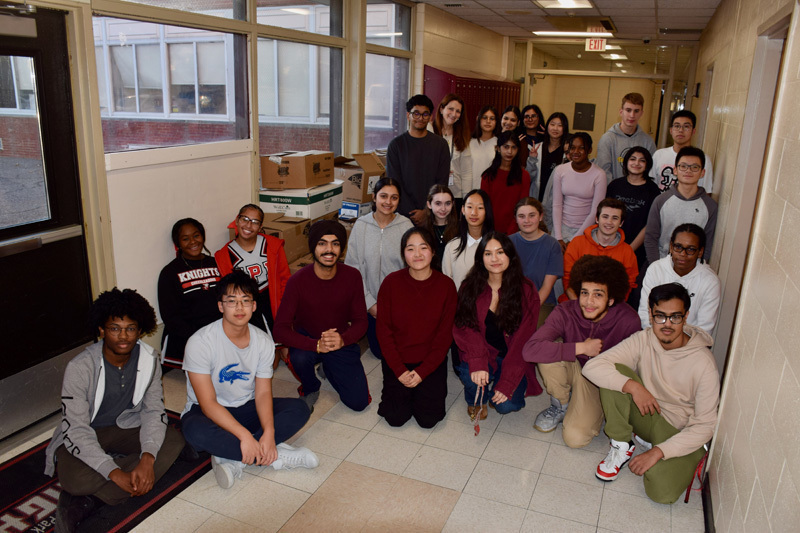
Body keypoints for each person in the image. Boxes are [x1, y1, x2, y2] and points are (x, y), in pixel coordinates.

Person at [46, 288, 185, 532]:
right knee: (74, 479)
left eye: (130, 328)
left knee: (173, 440)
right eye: (114, 328)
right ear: (101, 330)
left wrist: (147, 458)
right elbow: (76, 429)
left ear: (140, 330)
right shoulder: (79, 368)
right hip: (87, 431)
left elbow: (153, 411)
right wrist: (113, 472)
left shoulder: (149, 360)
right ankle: (116, 483)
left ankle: (87, 502)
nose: (123, 336)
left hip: (126, 427)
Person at [582, 283, 719, 504]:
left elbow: (705, 426)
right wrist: (634, 387)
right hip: (647, 411)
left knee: (661, 494)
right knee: (615, 371)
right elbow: (592, 367)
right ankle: (622, 444)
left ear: (686, 317)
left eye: (675, 317)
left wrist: (659, 452)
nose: (667, 325)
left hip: (675, 428)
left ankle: (664, 451)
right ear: (651, 314)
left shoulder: (704, 363)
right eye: (660, 317)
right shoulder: (643, 339)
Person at [181, 271, 318, 490]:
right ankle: (277, 455)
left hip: (246, 406)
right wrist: (245, 435)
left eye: (246, 301)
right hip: (208, 412)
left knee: (300, 408)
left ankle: (234, 457)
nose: (239, 308)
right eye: (232, 301)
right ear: (220, 306)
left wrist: (269, 432)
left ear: (254, 306)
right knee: (195, 431)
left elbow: (263, 393)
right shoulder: (200, 342)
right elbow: (208, 403)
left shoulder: (263, 341)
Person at [523, 256, 640, 447]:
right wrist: (581, 347)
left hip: (600, 381)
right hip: (573, 366)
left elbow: (635, 369)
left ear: (611, 299)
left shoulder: (628, 321)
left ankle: (591, 408)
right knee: (546, 352)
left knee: (575, 439)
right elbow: (530, 349)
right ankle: (560, 405)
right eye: (584, 293)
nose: (588, 301)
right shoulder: (566, 311)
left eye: (598, 294)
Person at [274, 219, 370, 412]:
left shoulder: (352, 276)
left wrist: (343, 340)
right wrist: (315, 345)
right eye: (322, 243)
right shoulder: (297, 281)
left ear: (341, 248)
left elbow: (361, 321)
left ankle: (328, 367)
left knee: (359, 403)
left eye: (335, 243)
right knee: (299, 358)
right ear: (313, 248)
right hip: (309, 340)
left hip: (339, 340)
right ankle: (310, 387)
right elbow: (280, 330)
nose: (329, 249)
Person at [453, 232, 541, 420]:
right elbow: (464, 327)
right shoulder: (469, 286)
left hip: (512, 356)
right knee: (471, 375)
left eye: (500, 252)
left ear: (510, 255)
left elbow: (523, 341)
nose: (494, 259)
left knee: (507, 405)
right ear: (480, 258)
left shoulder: (526, 290)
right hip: (481, 350)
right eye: (488, 253)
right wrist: (477, 361)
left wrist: (507, 382)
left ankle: (496, 385)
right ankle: (476, 400)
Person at [376, 227, 457, 428]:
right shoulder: (391, 283)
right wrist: (399, 370)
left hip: (430, 362)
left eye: (423, 247)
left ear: (433, 251)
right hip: (399, 361)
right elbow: (384, 331)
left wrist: (422, 372)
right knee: (395, 418)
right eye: (411, 249)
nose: (418, 254)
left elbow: (444, 337)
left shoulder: (446, 286)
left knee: (428, 420)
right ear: (403, 253)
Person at [345, 178, 413, 359]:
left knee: (401, 352)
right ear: (374, 197)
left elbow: (413, 269)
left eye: (394, 198)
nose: (388, 202)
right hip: (370, 304)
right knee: (381, 353)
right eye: (383, 196)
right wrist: (370, 304)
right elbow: (353, 269)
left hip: (400, 305)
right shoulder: (361, 226)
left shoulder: (406, 226)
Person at [214, 204, 290, 336]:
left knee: (280, 343)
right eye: (245, 219)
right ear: (237, 221)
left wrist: (285, 307)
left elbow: (285, 279)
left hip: (272, 300)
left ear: (260, 227)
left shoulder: (273, 245)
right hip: (245, 304)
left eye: (255, 222)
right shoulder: (224, 255)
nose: (249, 226)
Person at [158, 218, 221, 368]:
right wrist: (198, 337)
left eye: (196, 236)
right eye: (185, 239)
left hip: (219, 329)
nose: (193, 242)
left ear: (203, 236)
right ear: (178, 243)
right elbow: (169, 315)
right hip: (188, 333)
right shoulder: (169, 272)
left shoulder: (217, 263)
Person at [638, 224, 720, 335]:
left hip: (688, 346)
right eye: (678, 247)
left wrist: (677, 346)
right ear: (671, 247)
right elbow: (645, 314)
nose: (683, 254)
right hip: (653, 339)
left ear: (700, 252)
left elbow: (704, 329)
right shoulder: (656, 269)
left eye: (690, 249)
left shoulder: (710, 281)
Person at [606, 147, 660, 308]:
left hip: (637, 250)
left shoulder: (652, 190)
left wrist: (629, 249)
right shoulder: (615, 185)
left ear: (647, 164)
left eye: (642, 160)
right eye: (633, 159)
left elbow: (650, 224)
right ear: (626, 161)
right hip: (612, 245)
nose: (636, 163)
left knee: (630, 293)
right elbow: (606, 216)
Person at [644, 146, 718, 263]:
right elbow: (650, 238)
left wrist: (696, 269)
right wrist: (656, 267)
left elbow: (708, 244)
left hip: (692, 270)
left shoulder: (710, 206)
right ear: (675, 170)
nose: (688, 171)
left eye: (694, 167)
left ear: (702, 173)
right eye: (683, 166)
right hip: (662, 265)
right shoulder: (660, 200)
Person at [386, 94, 451, 225]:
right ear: (408, 115)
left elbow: (441, 182)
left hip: (432, 213)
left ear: (430, 117)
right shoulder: (396, 145)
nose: (420, 118)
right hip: (402, 215)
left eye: (425, 114)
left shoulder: (441, 145)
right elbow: (395, 182)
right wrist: (411, 212)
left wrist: (426, 210)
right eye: (416, 114)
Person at [562, 198, 639, 301]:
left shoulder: (627, 252)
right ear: (597, 219)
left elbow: (627, 286)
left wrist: (607, 311)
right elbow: (567, 279)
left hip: (610, 309)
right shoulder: (577, 243)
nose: (609, 222)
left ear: (621, 223)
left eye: (615, 218)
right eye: (605, 217)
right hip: (575, 303)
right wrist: (582, 306)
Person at [509, 197, 563, 326]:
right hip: (511, 302)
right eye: (521, 216)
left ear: (540, 216)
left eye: (531, 215)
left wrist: (529, 311)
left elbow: (547, 287)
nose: (526, 221)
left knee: (529, 330)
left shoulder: (552, 245)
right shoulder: (508, 243)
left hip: (541, 303)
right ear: (516, 219)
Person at [552, 132, 607, 251]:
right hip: (560, 229)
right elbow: (557, 205)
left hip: (586, 230)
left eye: (581, 148)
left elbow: (595, 211)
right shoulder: (560, 170)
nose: (576, 151)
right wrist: (558, 236)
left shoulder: (599, 175)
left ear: (590, 150)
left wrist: (575, 239)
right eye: (572, 148)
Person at [595, 93, 657, 182]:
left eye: (636, 111)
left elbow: (651, 171)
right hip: (613, 193)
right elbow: (603, 171)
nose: (632, 115)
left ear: (641, 113)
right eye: (628, 110)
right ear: (621, 112)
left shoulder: (648, 141)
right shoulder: (607, 139)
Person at [442, 189, 494, 291]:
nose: (474, 213)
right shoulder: (452, 246)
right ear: (463, 210)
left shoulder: (496, 245)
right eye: (469, 207)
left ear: (487, 211)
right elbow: (447, 284)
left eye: (480, 208)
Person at [480, 131, 531, 235]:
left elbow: (522, 206)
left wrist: (511, 231)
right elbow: (484, 206)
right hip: (490, 229)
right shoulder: (487, 176)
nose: (509, 151)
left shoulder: (524, 176)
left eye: (514, 147)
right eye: (506, 147)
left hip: (515, 230)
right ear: (498, 149)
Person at [651, 110, 714, 194]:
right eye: (677, 126)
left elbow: (707, 192)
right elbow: (650, 187)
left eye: (686, 126)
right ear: (671, 130)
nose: (681, 130)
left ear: (693, 131)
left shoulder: (703, 159)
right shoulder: (658, 155)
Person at [432, 93, 473, 207]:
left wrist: (466, 200)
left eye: (458, 111)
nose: (454, 114)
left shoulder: (462, 136)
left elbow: (466, 172)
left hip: (456, 194)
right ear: (441, 109)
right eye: (450, 109)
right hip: (434, 193)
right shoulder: (430, 131)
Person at [527, 112, 570, 207]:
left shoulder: (567, 153)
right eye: (552, 124)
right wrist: (532, 159)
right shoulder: (537, 148)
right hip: (536, 200)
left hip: (557, 203)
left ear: (565, 129)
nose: (555, 128)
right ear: (547, 127)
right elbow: (529, 177)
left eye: (560, 125)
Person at [424, 184, 459, 271]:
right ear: (429, 204)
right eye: (438, 203)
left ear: (453, 204)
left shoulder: (461, 228)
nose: (443, 208)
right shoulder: (423, 230)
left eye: (447, 203)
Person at [469, 105, 499, 192]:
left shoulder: (499, 144)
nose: (488, 121)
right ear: (478, 119)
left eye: (492, 118)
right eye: (484, 117)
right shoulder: (469, 142)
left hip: (491, 191)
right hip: (470, 190)